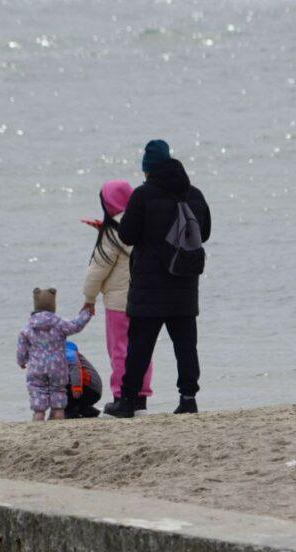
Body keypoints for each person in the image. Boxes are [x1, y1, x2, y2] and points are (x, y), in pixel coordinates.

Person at [104, 139, 211, 418]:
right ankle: (188, 399)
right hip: (184, 284)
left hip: (148, 288)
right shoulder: (194, 195)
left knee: (139, 346)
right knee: (186, 345)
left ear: (147, 168)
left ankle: (127, 401)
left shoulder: (142, 196)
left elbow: (126, 234)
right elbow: (206, 232)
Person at [80, 180, 154, 412]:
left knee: (120, 350)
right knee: (142, 349)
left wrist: (88, 298)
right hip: (144, 298)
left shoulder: (112, 233)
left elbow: (97, 269)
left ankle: (122, 395)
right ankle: (141, 396)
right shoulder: (144, 222)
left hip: (118, 304)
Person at [16, 287, 91, 421]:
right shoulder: (59, 324)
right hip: (58, 368)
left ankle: (38, 422)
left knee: (38, 401)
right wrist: (87, 312)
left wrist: (21, 361)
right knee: (58, 399)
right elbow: (76, 325)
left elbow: (22, 348)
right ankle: (57, 423)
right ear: (53, 306)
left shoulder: (27, 328)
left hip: (36, 369)